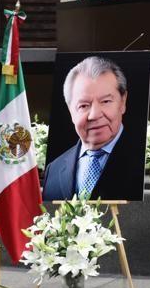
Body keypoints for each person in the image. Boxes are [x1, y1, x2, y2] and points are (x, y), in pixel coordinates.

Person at [42, 56, 137, 201]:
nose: (94, 115)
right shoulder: (54, 169)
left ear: (122, 102)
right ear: (70, 110)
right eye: (84, 106)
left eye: (105, 101)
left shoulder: (142, 163)